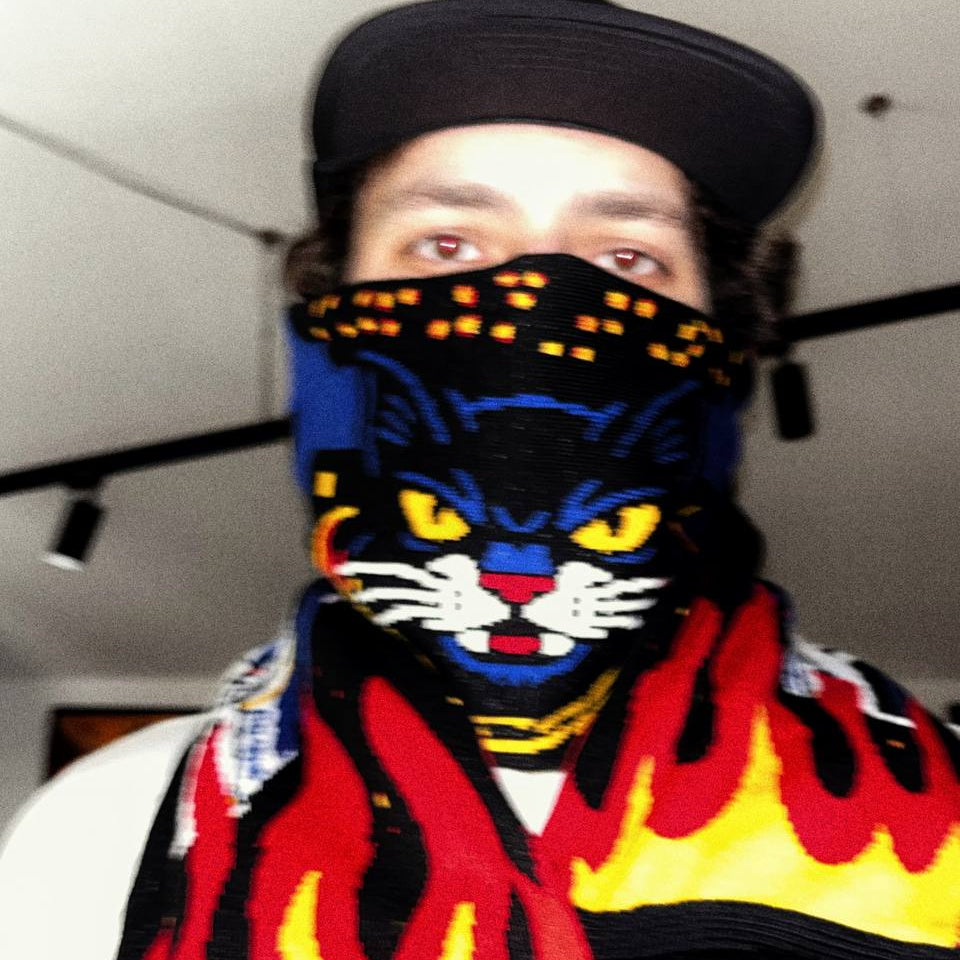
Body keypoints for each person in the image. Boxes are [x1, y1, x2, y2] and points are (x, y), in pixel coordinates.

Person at [1, 2, 958, 958]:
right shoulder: (104, 832)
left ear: (720, 363)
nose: (536, 300)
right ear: (334, 339)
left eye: (626, 258)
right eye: (448, 245)